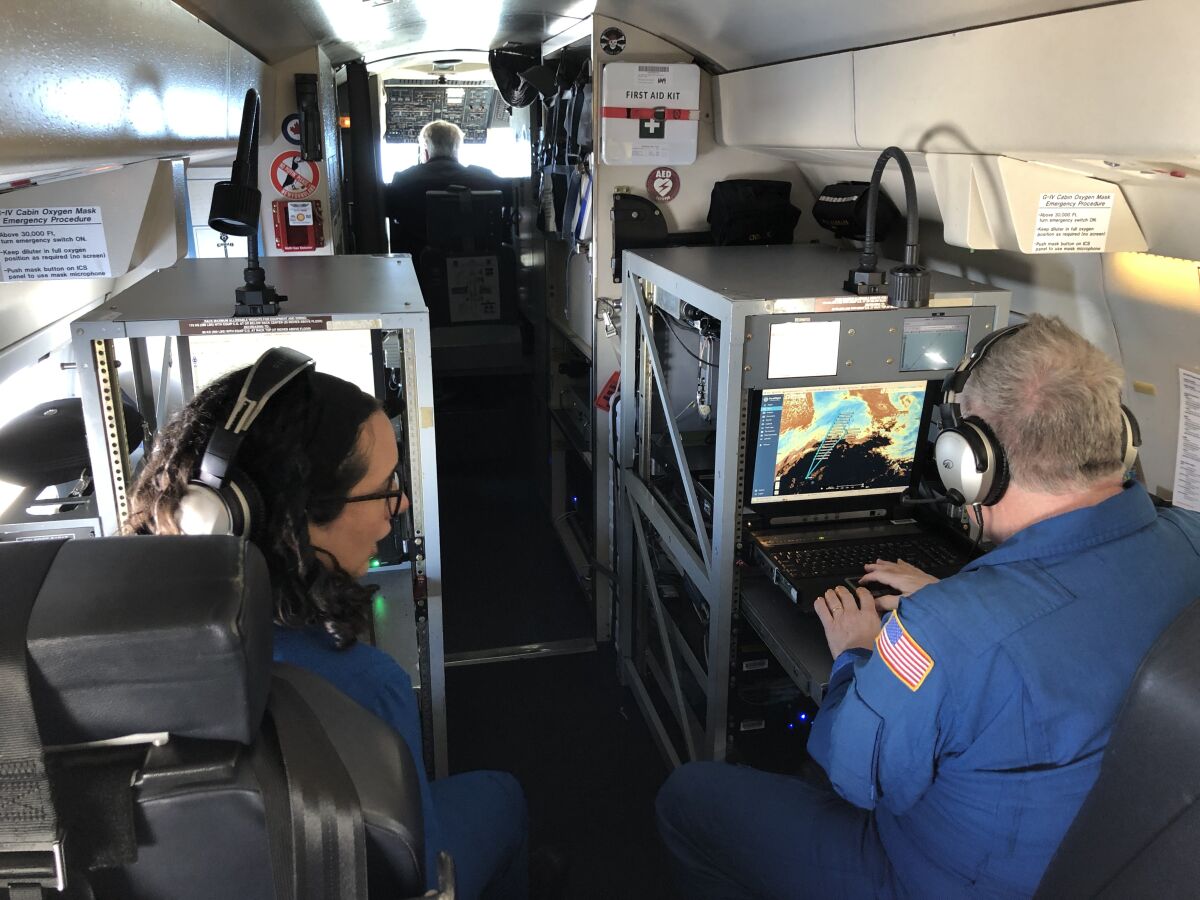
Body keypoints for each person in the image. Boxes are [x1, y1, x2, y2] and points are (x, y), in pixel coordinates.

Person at [655, 314, 1200, 898]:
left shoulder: (944, 632)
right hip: (1110, 868)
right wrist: (960, 607)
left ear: (970, 463)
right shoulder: (1190, 542)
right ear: (1120, 436)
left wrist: (859, 654)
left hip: (929, 877)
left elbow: (853, 772)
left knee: (687, 800)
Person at [125, 356, 528, 899]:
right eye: (384, 487)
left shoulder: (109, 647)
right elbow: (422, 879)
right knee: (503, 796)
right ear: (296, 515)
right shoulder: (365, 687)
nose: (401, 504)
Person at [385, 119, 508, 256]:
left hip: (418, 268)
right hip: (480, 265)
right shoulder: (487, 179)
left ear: (425, 150)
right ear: (457, 150)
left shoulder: (403, 181)